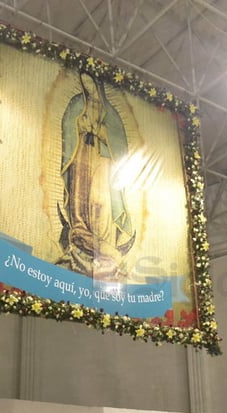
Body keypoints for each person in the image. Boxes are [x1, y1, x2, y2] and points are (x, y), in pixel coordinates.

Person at [56, 70, 136, 279]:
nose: (88, 88)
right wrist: (80, 126)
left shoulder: (110, 112)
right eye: (84, 84)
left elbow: (119, 142)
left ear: (98, 86)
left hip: (103, 158)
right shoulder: (76, 103)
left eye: (91, 84)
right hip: (81, 154)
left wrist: (100, 131)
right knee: (80, 197)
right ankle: (81, 233)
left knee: (101, 200)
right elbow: (68, 125)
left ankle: (104, 244)